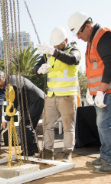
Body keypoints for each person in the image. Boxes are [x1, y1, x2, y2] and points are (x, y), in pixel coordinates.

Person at [68, 11, 111, 174]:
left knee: (105, 124)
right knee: (101, 125)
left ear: (87, 26)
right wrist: (90, 89)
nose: (78, 37)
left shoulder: (103, 36)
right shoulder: (92, 39)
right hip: (102, 91)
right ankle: (106, 156)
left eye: (79, 33)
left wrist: (100, 91)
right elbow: (95, 69)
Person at [34, 27, 81, 163]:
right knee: (47, 125)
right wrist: (39, 70)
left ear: (66, 41)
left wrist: (53, 51)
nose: (56, 47)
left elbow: (72, 60)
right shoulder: (48, 54)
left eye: (58, 44)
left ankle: (67, 152)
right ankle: (48, 151)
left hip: (67, 96)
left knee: (68, 126)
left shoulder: (74, 51)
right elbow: (35, 67)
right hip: (51, 96)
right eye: (54, 45)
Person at [0, 70, 45, 156]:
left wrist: (6, 119)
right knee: (27, 125)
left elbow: (14, 102)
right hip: (28, 102)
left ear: (3, 78)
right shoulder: (10, 82)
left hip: (35, 99)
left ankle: (28, 151)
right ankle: (33, 148)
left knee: (25, 124)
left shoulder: (13, 83)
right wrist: (6, 119)